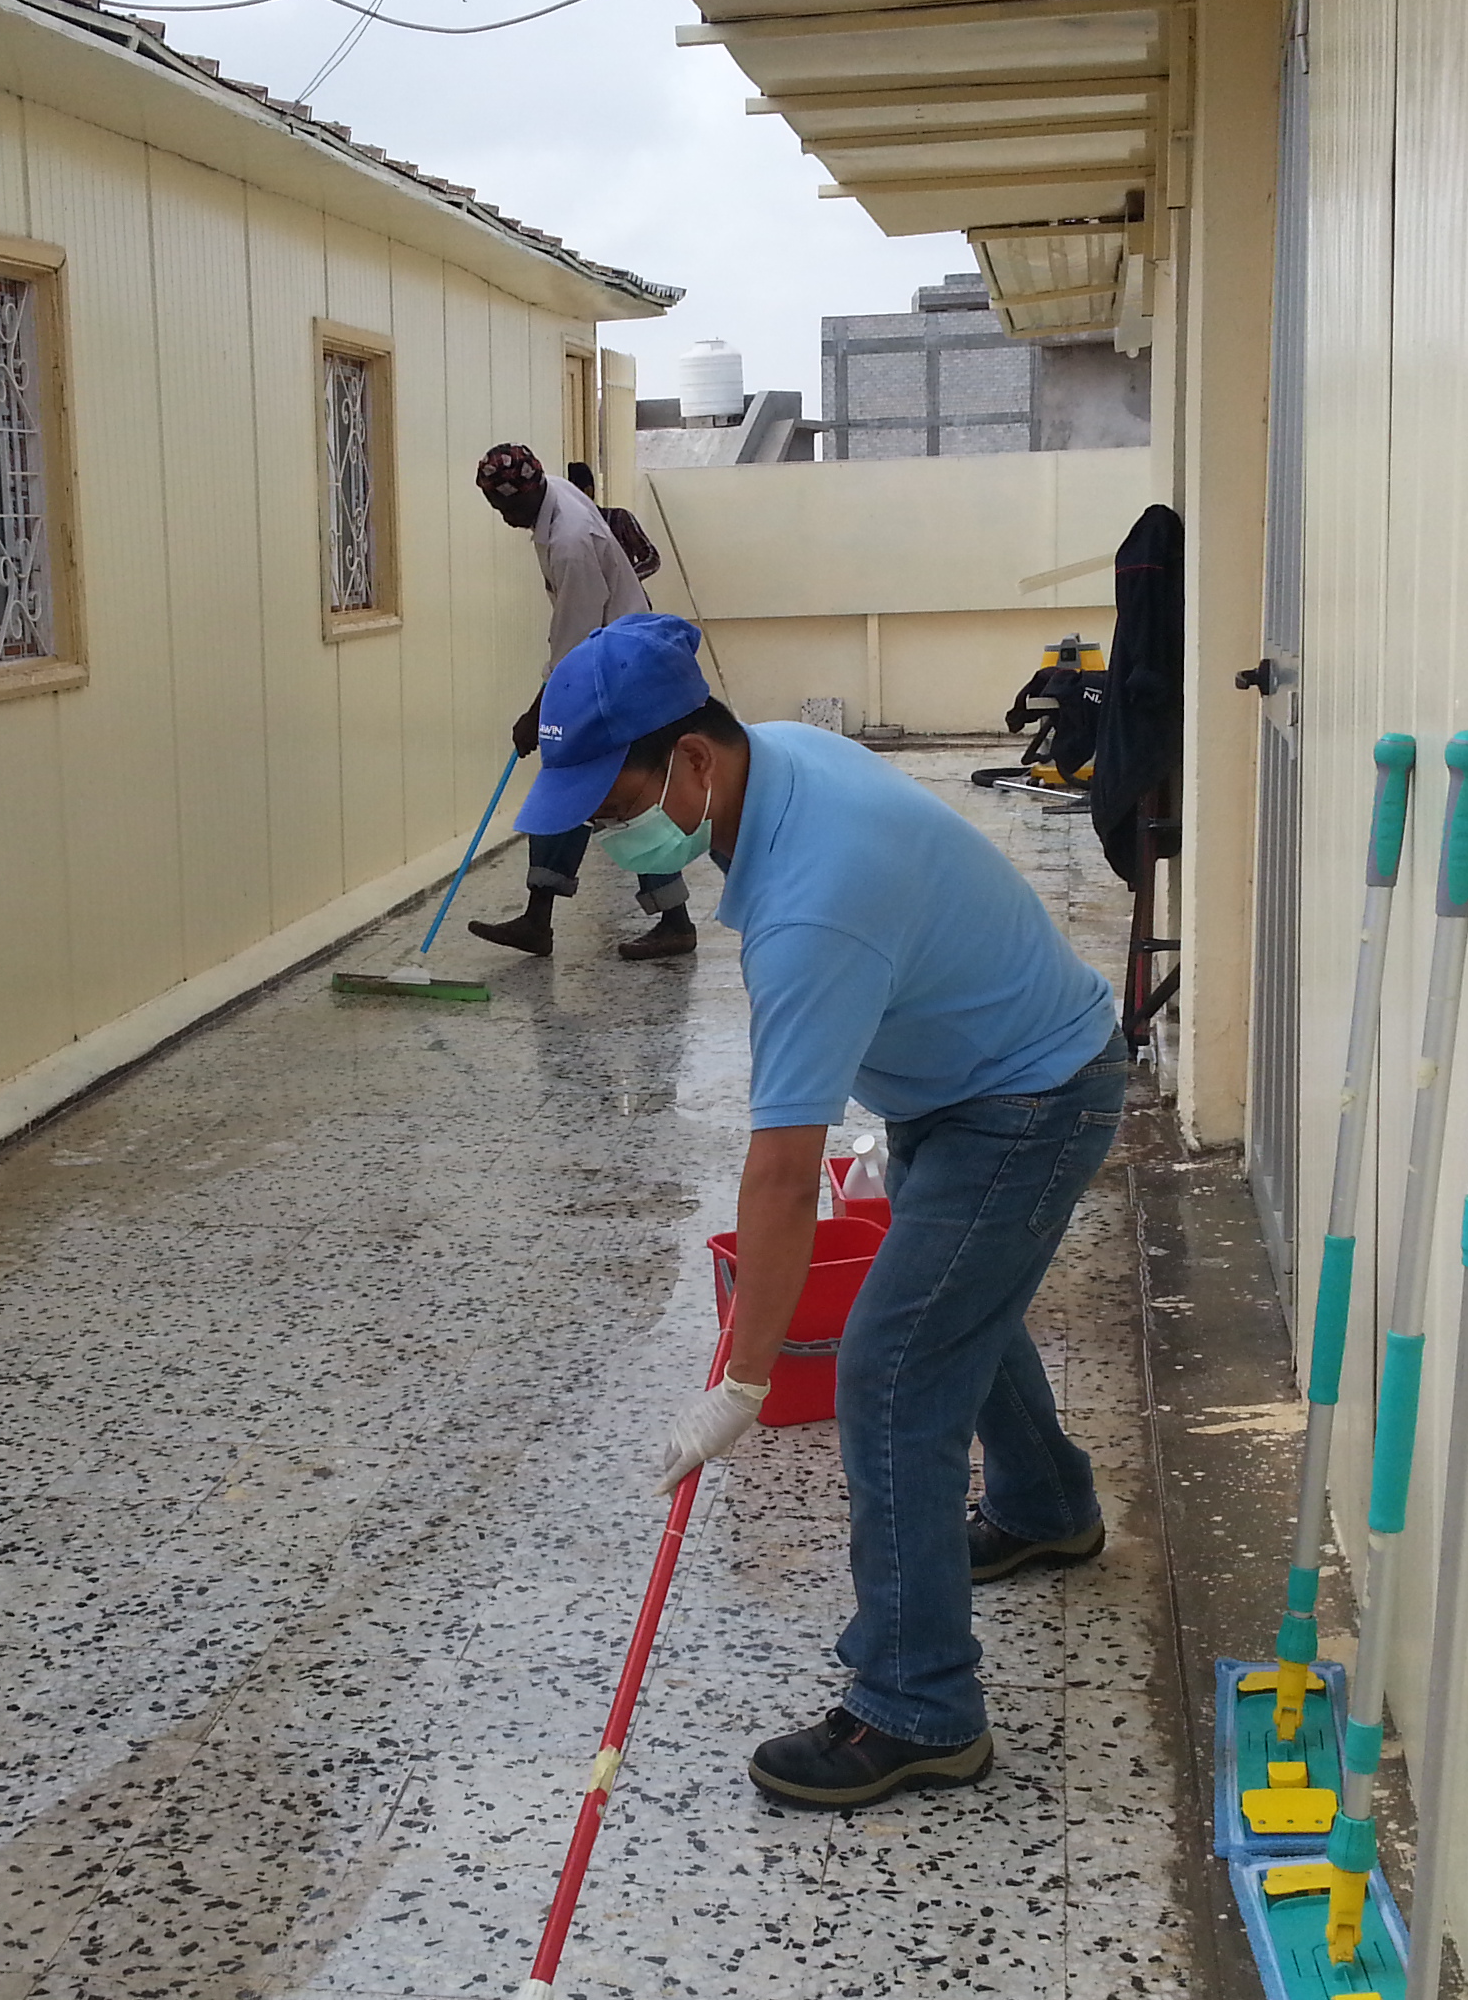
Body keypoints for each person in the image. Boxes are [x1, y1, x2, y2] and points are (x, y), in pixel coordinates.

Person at [514, 613, 1127, 1809]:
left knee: (891, 1368)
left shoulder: (812, 904)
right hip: (970, 1075)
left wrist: (745, 1382)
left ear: (694, 759)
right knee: (952, 1305)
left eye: (614, 805)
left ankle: (917, 1706)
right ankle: (1046, 1507)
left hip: (1027, 1099)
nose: (607, 835)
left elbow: (784, 1173)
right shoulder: (776, 757)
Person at [462, 443, 699, 964]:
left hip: (616, 669)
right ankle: (541, 917)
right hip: (607, 659)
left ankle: (672, 922)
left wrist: (536, 715)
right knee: (576, 787)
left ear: (528, 493)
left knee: (618, 792)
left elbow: (575, 640)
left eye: (507, 508)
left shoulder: (570, 542)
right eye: (495, 507)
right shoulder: (555, 494)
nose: (504, 518)